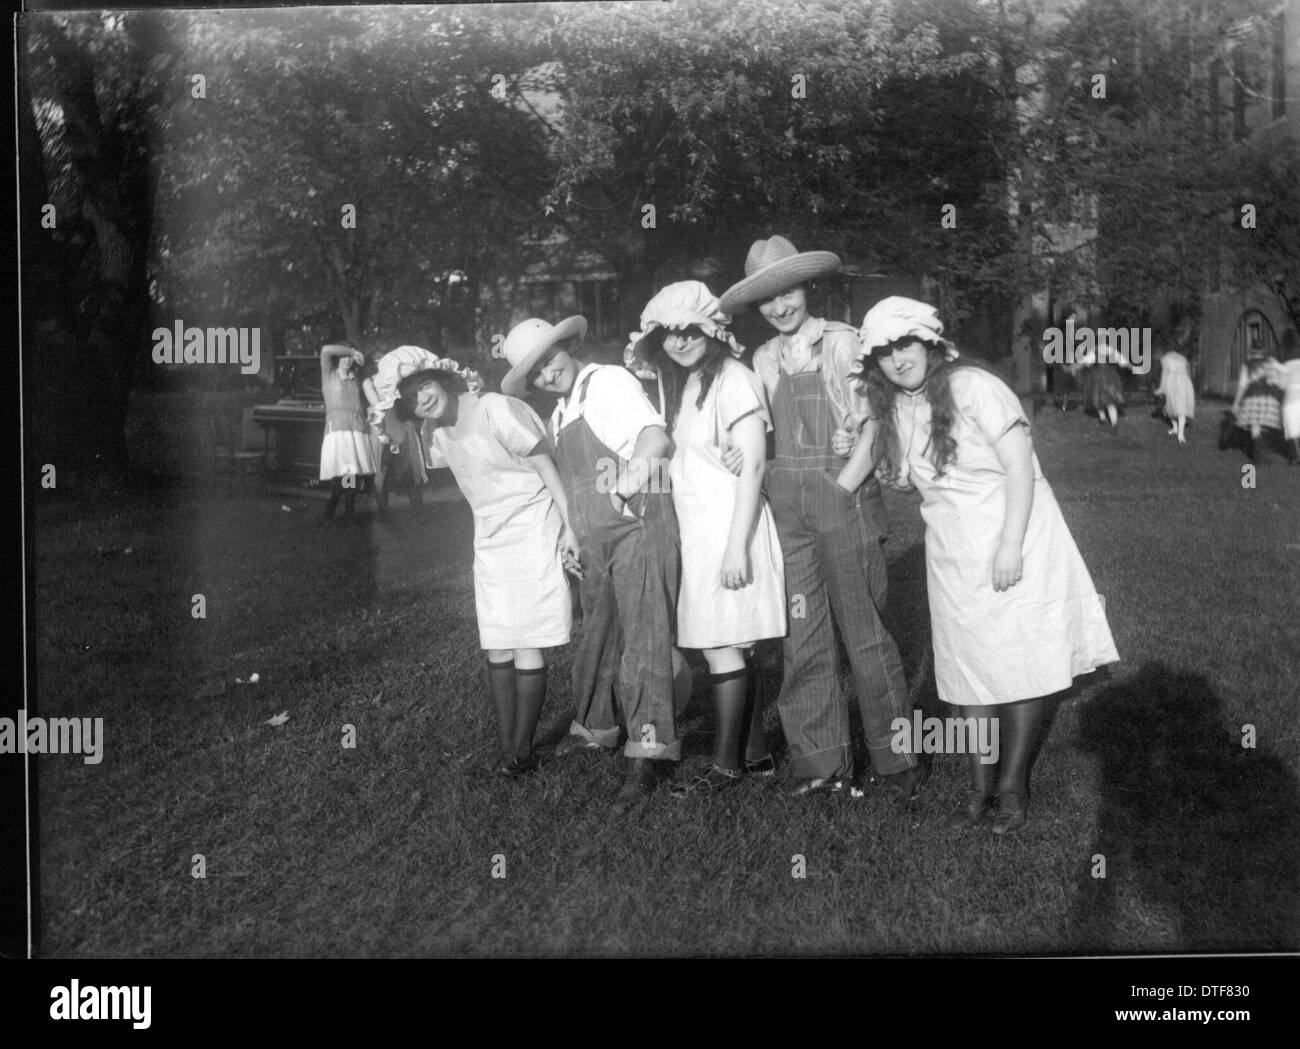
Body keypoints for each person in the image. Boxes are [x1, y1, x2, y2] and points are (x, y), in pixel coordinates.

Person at [842, 297, 1119, 834]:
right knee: (968, 667)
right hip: (952, 551)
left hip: (1014, 532)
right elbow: (917, 481)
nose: (898, 358)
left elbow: (1020, 467)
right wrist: (880, 462)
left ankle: (1012, 787)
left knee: (1019, 662)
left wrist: (1011, 545)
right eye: (884, 352)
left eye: (906, 344)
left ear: (929, 344)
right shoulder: (894, 407)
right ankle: (978, 786)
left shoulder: (975, 388)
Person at [717, 237, 924, 800]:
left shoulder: (841, 342)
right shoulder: (762, 359)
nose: (780, 307)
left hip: (843, 497)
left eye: (788, 293)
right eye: (768, 300)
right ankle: (821, 763)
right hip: (786, 505)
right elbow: (759, 434)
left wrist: (842, 486)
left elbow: (875, 421)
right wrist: (740, 451)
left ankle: (897, 761)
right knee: (802, 634)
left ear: (807, 288)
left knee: (865, 631)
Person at [500, 317, 685, 812]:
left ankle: (647, 753)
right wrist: (572, 533)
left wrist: (619, 496)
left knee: (644, 640)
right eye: (535, 373)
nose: (547, 374)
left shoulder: (607, 382)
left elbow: (655, 440)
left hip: (636, 524)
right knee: (598, 636)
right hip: (594, 539)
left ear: (568, 344)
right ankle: (595, 729)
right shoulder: (563, 411)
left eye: (549, 359)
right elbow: (575, 484)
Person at [372, 346, 579, 776]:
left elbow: (547, 468)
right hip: (488, 536)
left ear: (442, 378)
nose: (421, 399)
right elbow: (403, 445)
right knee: (498, 640)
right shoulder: (435, 432)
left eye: (424, 386)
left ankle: (520, 752)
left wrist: (571, 529)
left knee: (527, 638)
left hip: (533, 526)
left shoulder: (496, 408)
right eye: (409, 398)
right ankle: (507, 748)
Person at [627, 282, 784, 795]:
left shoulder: (734, 379)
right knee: (731, 645)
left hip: (731, 528)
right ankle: (756, 754)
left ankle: (725, 765)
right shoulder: (683, 386)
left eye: (689, 331)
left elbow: (753, 463)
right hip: (700, 531)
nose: (679, 341)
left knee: (721, 648)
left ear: (712, 331)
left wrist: (736, 547)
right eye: (668, 334)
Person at [319, 342, 380, 522]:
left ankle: (346, 514)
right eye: (344, 356)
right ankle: (335, 511)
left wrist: (369, 411)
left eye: (351, 358)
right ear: (338, 357)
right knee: (345, 476)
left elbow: (364, 402)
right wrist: (352, 351)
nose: (348, 360)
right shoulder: (329, 375)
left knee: (351, 475)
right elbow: (325, 350)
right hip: (338, 431)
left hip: (357, 431)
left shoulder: (357, 379)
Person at [363, 351, 427, 516]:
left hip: (401, 424)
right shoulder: (368, 382)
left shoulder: (399, 378)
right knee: (381, 473)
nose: (380, 363)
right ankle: (385, 514)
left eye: (382, 359)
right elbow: (378, 406)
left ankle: (420, 513)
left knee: (410, 471)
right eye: (376, 360)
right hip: (381, 429)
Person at [1231, 349, 1285, 462]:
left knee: (1255, 426)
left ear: (1251, 353)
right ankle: (1259, 453)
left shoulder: (1247, 364)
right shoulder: (1270, 361)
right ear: (1262, 352)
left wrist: (1236, 403)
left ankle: (1257, 454)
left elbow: (1242, 386)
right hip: (1268, 398)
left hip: (1252, 398)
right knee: (1261, 426)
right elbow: (1284, 371)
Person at [1153, 347, 1195, 444]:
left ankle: (1179, 432)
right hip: (1184, 382)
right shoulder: (1182, 358)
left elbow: (1164, 374)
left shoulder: (1165, 359)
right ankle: (1178, 431)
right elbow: (1188, 373)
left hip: (1172, 383)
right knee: (1180, 407)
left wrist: (1161, 389)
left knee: (1171, 407)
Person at [1279, 333, 1300, 465]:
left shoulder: (1285, 365)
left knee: (1292, 430)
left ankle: (1297, 455)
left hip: (1291, 400)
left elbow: (1281, 385)